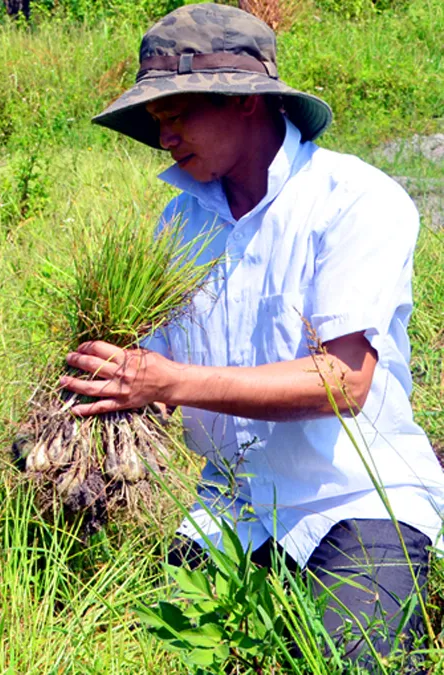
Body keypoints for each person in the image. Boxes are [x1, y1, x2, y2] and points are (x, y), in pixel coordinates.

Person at [59, 2, 444, 669]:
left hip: (353, 500)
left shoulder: (355, 199)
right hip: (232, 507)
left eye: (177, 113)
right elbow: (151, 365)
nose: (164, 136)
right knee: (131, 648)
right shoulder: (179, 225)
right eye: (156, 120)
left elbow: (343, 380)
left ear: (244, 102)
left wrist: (170, 382)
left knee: (351, 661)